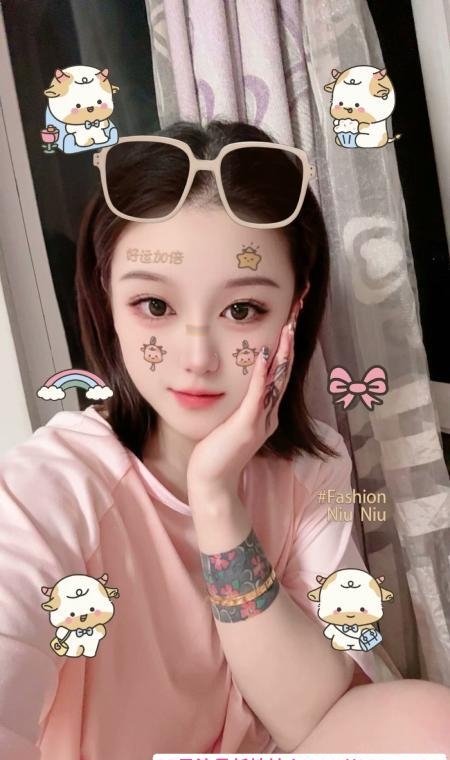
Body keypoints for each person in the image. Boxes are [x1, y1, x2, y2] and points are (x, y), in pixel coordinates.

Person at [0, 119, 449, 759]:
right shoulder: (48, 489)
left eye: (242, 310)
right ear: (106, 301)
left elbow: (309, 719)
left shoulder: (310, 469)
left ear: (295, 309)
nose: (197, 358)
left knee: (428, 721)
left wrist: (216, 499)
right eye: (154, 306)